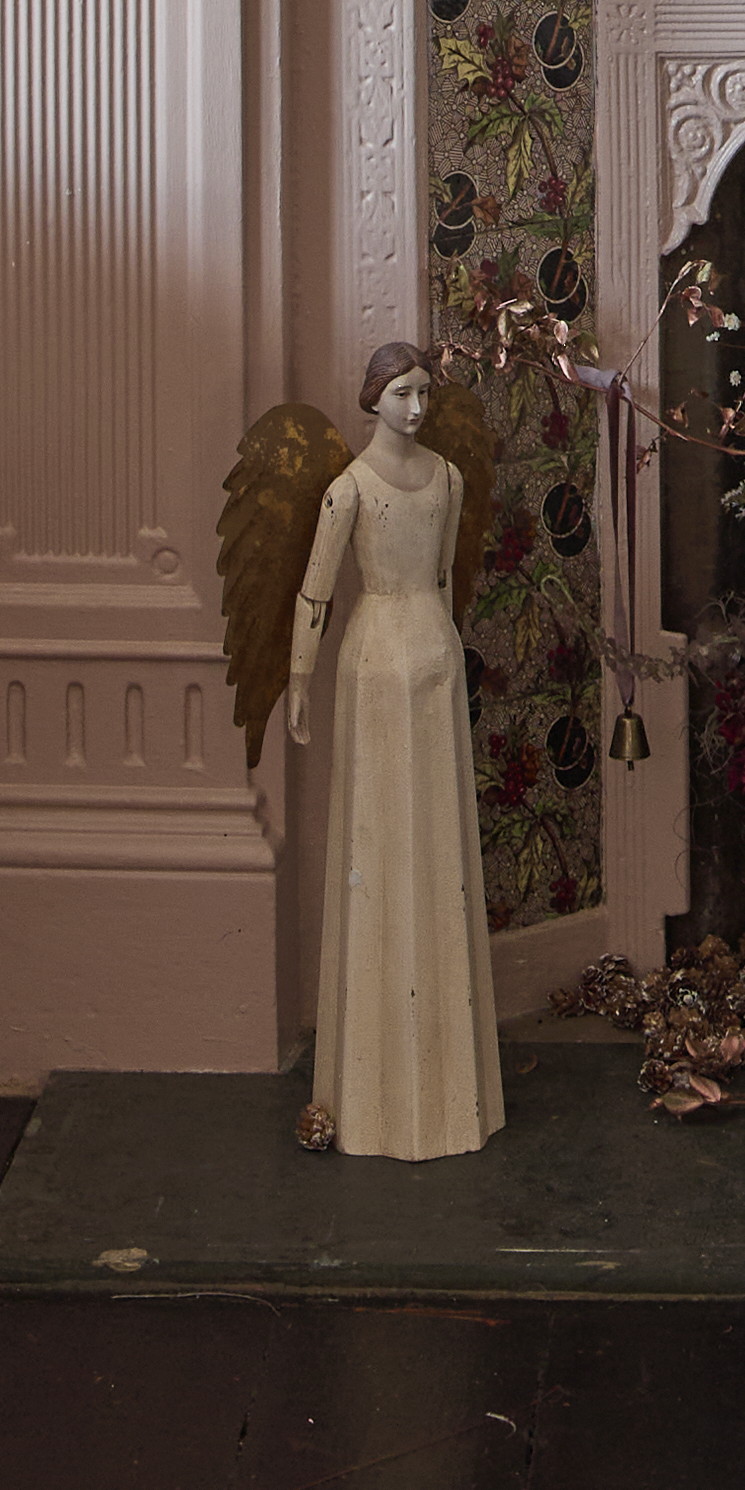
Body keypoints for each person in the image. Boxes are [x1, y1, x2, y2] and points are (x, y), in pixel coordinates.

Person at [285, 339, 505, 1159]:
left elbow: (445, 579)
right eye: (402, 394)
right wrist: (300, 679)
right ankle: (372, 1092)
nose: (416, 408)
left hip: (432, 657)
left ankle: (454, 1094)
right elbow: (315, 586)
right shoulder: (349, 490)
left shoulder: (446, 480)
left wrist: (447, 646)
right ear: (373, 399)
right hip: (375, 659)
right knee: (378, 845)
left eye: (423, 394)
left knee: (436, 845)